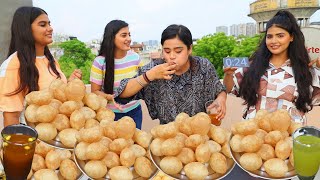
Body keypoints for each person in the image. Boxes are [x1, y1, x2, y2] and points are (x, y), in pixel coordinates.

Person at [114, 24, 227, 124]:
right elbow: (122, 94)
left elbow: (219, 89)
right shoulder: (155, 68)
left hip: (200, 133)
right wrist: (149, 76)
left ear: (189, 49)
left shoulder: (203, 66)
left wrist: (221, 99)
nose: (172, 56)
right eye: (167, 51)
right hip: (168, 137)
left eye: (178, 51)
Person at [223, 10, 320, 122]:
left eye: (280, 36)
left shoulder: (306, 70)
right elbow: (229, 89)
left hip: (289, 134)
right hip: (253, 133)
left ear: (291, 37)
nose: (274, 41)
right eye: (269, 36)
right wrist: (228, 75)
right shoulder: (251, 66)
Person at [0, 7, 82, 127]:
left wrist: (70, 83)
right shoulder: (14, 65)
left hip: (58, 140)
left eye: (49, 24)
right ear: (26, 29)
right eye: (43, 25)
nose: (50, 28)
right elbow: (11, 116)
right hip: (34, 140)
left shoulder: (51, 60)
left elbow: (55, 97)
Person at [90, 20, 144, 129]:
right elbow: (94, 91)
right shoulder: (100, 62)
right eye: (124, 35)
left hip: (135, 112)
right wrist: (108, 97)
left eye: (129, 35)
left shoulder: (135, 58)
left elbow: (141, 81)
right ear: (111, 38)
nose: (128, 39)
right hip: (110, 116)